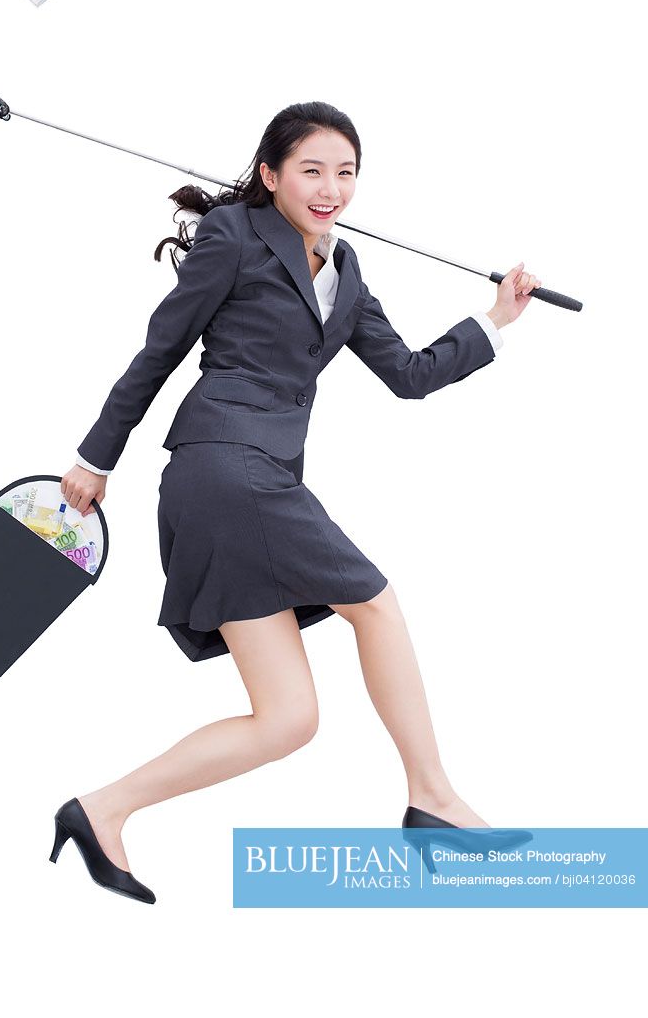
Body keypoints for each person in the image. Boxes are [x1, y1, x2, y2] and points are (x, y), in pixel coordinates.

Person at [52, 101, 541, 902]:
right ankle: (433, 797)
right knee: (376, 605)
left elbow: (409, 376)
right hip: (224, 464)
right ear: (271, 173)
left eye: (345, 172)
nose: (330, 188)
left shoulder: (345, 273)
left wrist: (494, 320)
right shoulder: (234, 237)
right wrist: (95, 456)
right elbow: (161, 346)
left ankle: (99, 810)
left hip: (260, 479)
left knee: (286, 719)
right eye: (311, 170)